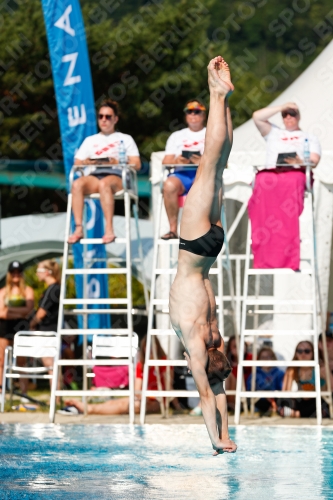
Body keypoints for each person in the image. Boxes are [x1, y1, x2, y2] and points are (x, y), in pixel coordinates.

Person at [169, 56, 237, 455]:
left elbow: (216, 393)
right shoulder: (198, 342)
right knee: (212, 164)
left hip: (210, 249)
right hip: (194, 250)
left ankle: (222, 100)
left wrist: (223, 438)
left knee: (218, 166)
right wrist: (218, 438)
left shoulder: (212, 337)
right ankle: (217, 95)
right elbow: (209, 396)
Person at [250, 103, 321, 270]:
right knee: (260, 180)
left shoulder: (308, 137)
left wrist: (300, 161)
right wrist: (281, 107)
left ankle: (288, 252)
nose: (289, 117)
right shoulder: (274, 133)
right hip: (271, 175)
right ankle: (263, 241)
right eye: (285, 114)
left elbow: (315, 161)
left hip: (294, 174)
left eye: (292, 114)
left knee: (293, 180)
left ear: (299, 116)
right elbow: (257, 116)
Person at [68, 99, 141, 244]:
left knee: (104, 184)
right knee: (76, 185)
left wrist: (119, 161)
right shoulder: (90, 140)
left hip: (118, 176)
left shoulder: (125, 139)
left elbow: (137, 164)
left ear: (115, 119)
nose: (103, 120)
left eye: (108, 117)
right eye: (101, 116)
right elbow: (77, 163)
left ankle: (109, 230)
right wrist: (86, 162)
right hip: (95, 175)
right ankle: (78, 228)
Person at [61, 336, 167, 415]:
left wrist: (174, 405)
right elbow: (137, 389)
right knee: (114, 402)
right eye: (146, 348)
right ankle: (85, 407)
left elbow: (168, 386)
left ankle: (88, 409)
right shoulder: (142, 364)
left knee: (125, 406)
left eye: (152, 348)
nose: (149, 351)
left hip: (157, 401)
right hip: (145, 397)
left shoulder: (164, 362)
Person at [161, 99, 207, 240]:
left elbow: (224, 162)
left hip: (203, 175)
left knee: (203, 188)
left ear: (204, 115)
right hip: (181, 175)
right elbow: (165, 162)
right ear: (185, 115)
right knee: (168, 185)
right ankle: (173, 230)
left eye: (197, 112)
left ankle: (201, 230)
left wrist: (202, 161)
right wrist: (178, 160)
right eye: (189, 111)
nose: (193, 115)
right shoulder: (177, 136)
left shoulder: (212, 133)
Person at [0, 261, 34, 394]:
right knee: (1, 360)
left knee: (21, 361)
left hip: (21, 328)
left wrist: (9, 310)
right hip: (4, 328)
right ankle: (1, 391)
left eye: (18, 272)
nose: (16, 275)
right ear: (9, 274)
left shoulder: (27, 290)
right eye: (13, 272)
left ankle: (24, 393)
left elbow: (29, 310)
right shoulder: (3, 291)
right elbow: (1, 313)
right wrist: (20, 311)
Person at [29, 259, 61, 394]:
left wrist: (30, 325)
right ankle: (56, 397)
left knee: (51, 365)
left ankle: (56, 398)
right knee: (52, 365)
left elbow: (41, 313)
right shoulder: (55, 288)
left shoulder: (52, 289)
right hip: (50, 332)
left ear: (47, 273)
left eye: (39, 271)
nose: (37, 274)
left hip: (48, 332)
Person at [278, 340, 333, 418]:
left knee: (321, 403)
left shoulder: (320, 368)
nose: (303, 354)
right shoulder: (293, 369)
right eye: (300, 351)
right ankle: (297, 413)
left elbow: (331, 388)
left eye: (307, 351)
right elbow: (285, 391)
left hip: (318, 400)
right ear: (296, 353)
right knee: (281, 401)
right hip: (302, 401)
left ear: (313, 353)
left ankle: (296, 414)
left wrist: (315, 391)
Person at [246, 346, 284, 415]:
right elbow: (250, 389)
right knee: (252, 399)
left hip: (274, 398)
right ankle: (270, 408)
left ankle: (274, 407)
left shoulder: (279, 373)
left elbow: (282, 388)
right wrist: (263, 395)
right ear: (259, 359)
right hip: (259, 399)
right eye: (263, 357)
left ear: (273, 358)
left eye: (268, 357)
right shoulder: (254, 373)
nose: (265, 359)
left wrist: (272, 395)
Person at [224, 335, 252, 411]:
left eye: (241, 345)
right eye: (235, 346)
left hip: (245, 393)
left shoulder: (251, 358)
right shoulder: (225, 360)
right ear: (230, 348)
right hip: (229, 393)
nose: (238, 348)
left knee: (229, 375)